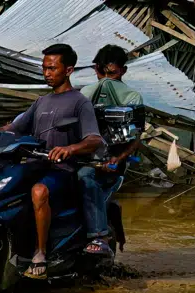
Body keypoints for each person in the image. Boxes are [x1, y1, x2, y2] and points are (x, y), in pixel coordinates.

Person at [0, 44, 102, 279]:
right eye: (44, 68)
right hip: (33, 166)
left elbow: (94, 139)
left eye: (52, 68)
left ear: (68, 70)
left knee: (39, 192)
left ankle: (40, 254)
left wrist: (70, 148)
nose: (47, 73)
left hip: (62, 171)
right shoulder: (41, 102)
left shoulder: (80, 102)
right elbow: (14, 127)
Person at [77, 45, 144, 259]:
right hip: (80, 157)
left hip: (108, 164)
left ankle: (99, 236)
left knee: (85, 178)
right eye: (103, 73)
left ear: (123, 71)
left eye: (112, 74)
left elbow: (136, 137)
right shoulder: (82, 95)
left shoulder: (132, 98)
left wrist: (118, 157)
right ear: (96, 69)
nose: (107, 81)